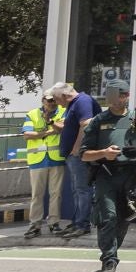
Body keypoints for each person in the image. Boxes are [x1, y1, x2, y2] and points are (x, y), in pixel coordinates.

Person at [77, 80, 136, 272]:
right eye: (119, 95)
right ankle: (109, 260)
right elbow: (84, 154)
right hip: (106, 174)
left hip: (130, 174)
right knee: (108, 216)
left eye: (125, 94)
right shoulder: (99, 121)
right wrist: (103, 153)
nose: (123, 98)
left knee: (124, 218)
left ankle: (112, 249)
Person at [21, 88, 65, 239]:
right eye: (49, 100)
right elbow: (27, 135)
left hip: (56, 158)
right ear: (43, 101)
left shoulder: (62, 112)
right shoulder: (32, 114)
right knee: (37, 195)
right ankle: (35, 225)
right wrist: (47, 132)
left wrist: (48, 126)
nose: (51, 103)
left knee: (56, 193)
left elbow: (62, 129)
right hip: (37, 160)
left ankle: (54, 223)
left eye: (54, 100)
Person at [54, 81, 97, 238]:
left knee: (83, 190)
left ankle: (83, 224)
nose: (57, 103)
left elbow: (86, 124)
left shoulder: (83, 101)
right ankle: (77, 221)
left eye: (57, 99)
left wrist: (77, 148)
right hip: (73, 156)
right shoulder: (73, 104)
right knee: (76, 190)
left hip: (78, 156)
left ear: (65, 96)